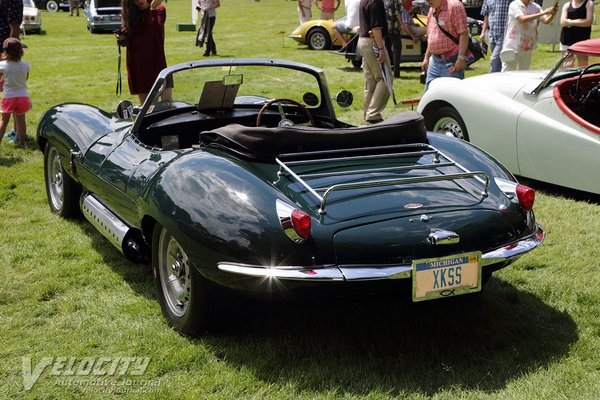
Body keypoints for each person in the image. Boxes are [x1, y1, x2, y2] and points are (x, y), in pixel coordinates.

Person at [117, 0, 171, 105]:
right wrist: (122, 37)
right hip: (139, 65)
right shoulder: (130, 13)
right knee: (148, 109)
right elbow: (131, 39)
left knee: (168, 106)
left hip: (157, 62)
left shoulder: (160, 9)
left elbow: (156, 31)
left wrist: (153, 9)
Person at [421, 0, 469, 91]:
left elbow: (463, 33)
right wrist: (426, 58)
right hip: (434, 61)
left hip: (451, 61)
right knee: (429, 94)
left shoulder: (455, 6)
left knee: (453, 95)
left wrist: (461, 57)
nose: (427, 1)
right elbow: (431, 36)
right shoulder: (432, 9)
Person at [357, 0, 391, 124]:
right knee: (385, 78)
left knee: (371, 81)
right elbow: (376, 28)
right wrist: (381, 48)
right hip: (373, 42)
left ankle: (367, 113)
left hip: (363, 41)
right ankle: (373, 114)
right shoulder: (376, 1)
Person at [500, 0, 557, 71]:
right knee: (508, 72)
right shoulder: (514, 4)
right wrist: (544, 12)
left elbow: (546, 21)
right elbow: (522, 19)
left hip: (527, 46)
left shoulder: (535, 6)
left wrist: (553, 14)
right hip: (512, 45)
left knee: (524, 72)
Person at [0, 38, 30, 149]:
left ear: (5, 51)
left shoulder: (2, 65)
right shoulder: (26, 65)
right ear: (21, 51)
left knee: (3, 121)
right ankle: (22, 143)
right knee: (21, 122)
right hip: (23, 97)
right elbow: (25, 79)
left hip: (9, 97)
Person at [480, 0, 512, 72]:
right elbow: (486, 16)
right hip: (492, 35)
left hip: (505, 34)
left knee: (494, 60)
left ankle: (492, 79)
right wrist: (483, 32)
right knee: (500, 61)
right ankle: (501, 78)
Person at [559, 0, 593, 65]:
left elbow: (588, 22)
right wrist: (580, 21)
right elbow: (562, 22)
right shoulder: (567, 5)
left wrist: (569, 22)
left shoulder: (588, 3)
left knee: (582, 66)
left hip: (582, 40)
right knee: (567, 67)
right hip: (566, 40)